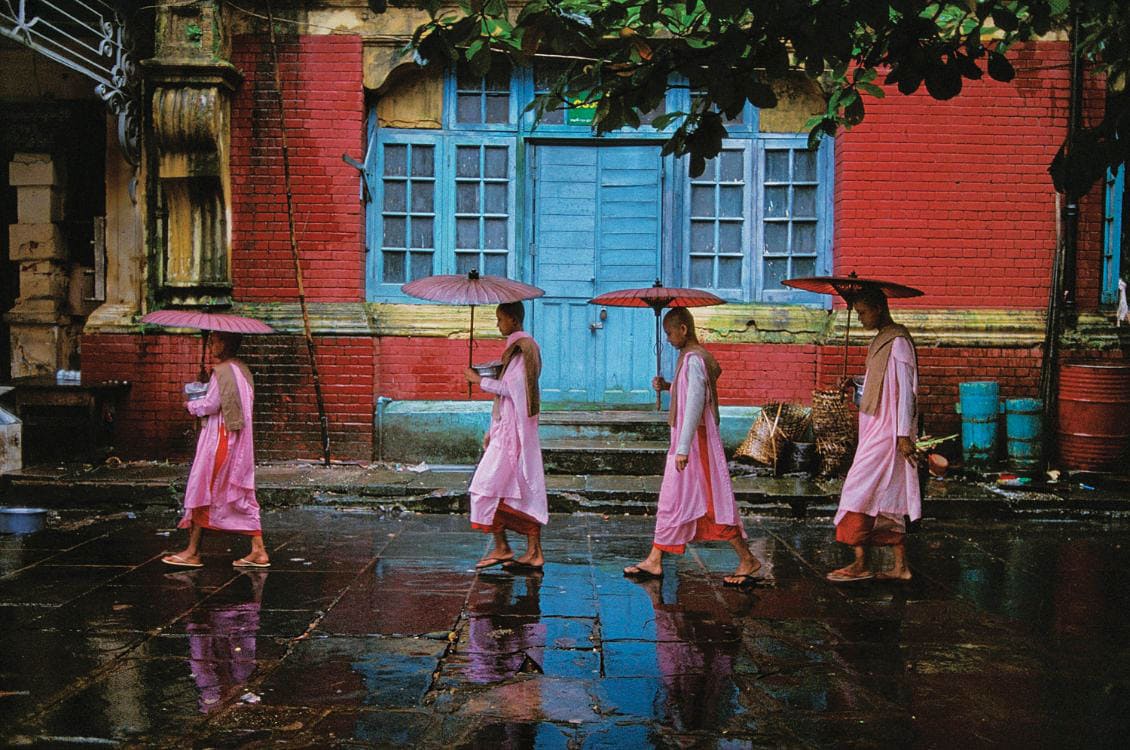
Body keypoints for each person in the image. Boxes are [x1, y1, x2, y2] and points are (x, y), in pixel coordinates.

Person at [623, 307, 761, 586]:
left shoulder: (694, 360)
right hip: (686, 443)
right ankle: (655, 558)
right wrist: (668, 386)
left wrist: (683, 448)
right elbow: (689, 392)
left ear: (683, 329)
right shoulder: (689, 360)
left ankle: (747, 558)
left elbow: (696, 404)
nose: (669, 339)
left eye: (670, 333)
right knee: (675, 499)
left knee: (710, 502)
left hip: (694, 445)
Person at [827, 285, 919, 583]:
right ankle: (901, 566)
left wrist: (903, 434)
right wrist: (855, 384)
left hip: (888, 431)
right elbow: (880, 383)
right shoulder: (882, 340)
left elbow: (906, 392)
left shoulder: (899, 342)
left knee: (857, 492)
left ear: (879, 308)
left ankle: (860, 564)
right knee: (885, 496)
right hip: (875, 429)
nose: (862, 318)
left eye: (863, 312)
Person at [162, 331, 269, 569]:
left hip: (220, 440)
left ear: (227, 343)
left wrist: (191, 404)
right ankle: (258, 549)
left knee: (204, 490)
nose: (211, 345)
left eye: (215, 341)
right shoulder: (241, 370)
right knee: (238, 493)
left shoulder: (222, 372)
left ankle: (192, 551)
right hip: (238, 441)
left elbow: (211, 405)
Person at [464, 301, 548, 572]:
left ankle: (509, 548)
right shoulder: (516, 350)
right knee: (510, 489)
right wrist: (492, 428)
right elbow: (508, 394)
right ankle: (520, 549)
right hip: (506, 429)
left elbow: (514, 391)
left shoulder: (524, 349)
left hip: (514, 433)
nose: (497, 324)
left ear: (512, 319)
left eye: (500, 319)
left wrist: (479, 381)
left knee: (486, 486)